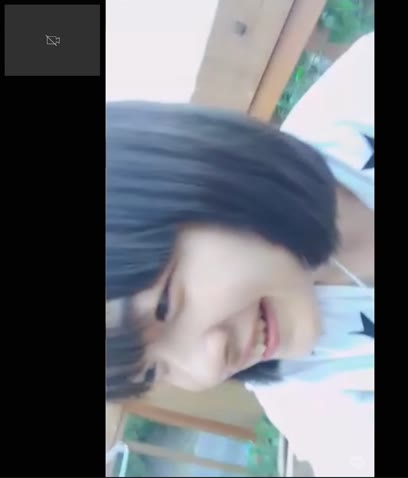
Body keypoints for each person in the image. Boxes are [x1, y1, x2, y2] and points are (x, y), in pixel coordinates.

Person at [106, 32, 374, 476]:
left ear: (197, 171)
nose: (209, 366)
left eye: (165, 305)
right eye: (154, 372)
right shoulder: (320, 409)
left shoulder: (361, 97)